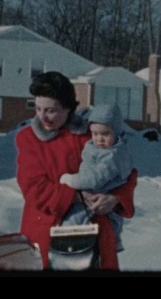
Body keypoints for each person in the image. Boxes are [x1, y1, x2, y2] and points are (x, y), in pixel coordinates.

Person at [15, 71, 137, 270]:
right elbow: (34, 188)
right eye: (38, 109)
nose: (42, 117)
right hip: (48, 233)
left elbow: (124, 171)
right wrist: (77, 196)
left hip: (96, 233)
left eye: (51, 110)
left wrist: (114, 197)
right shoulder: (28, 139)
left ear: (69, 108)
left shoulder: (95, 134)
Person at [59, 103, 133, 252]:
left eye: (105, 134)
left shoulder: (112, 155)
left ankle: (71, 247)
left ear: (117, 132)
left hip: (98, 198)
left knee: (73, 221)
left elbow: (94, 179)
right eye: (95, 133)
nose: (99, 139)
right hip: (95, 198)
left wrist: (70, 179)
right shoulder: (101, 147)